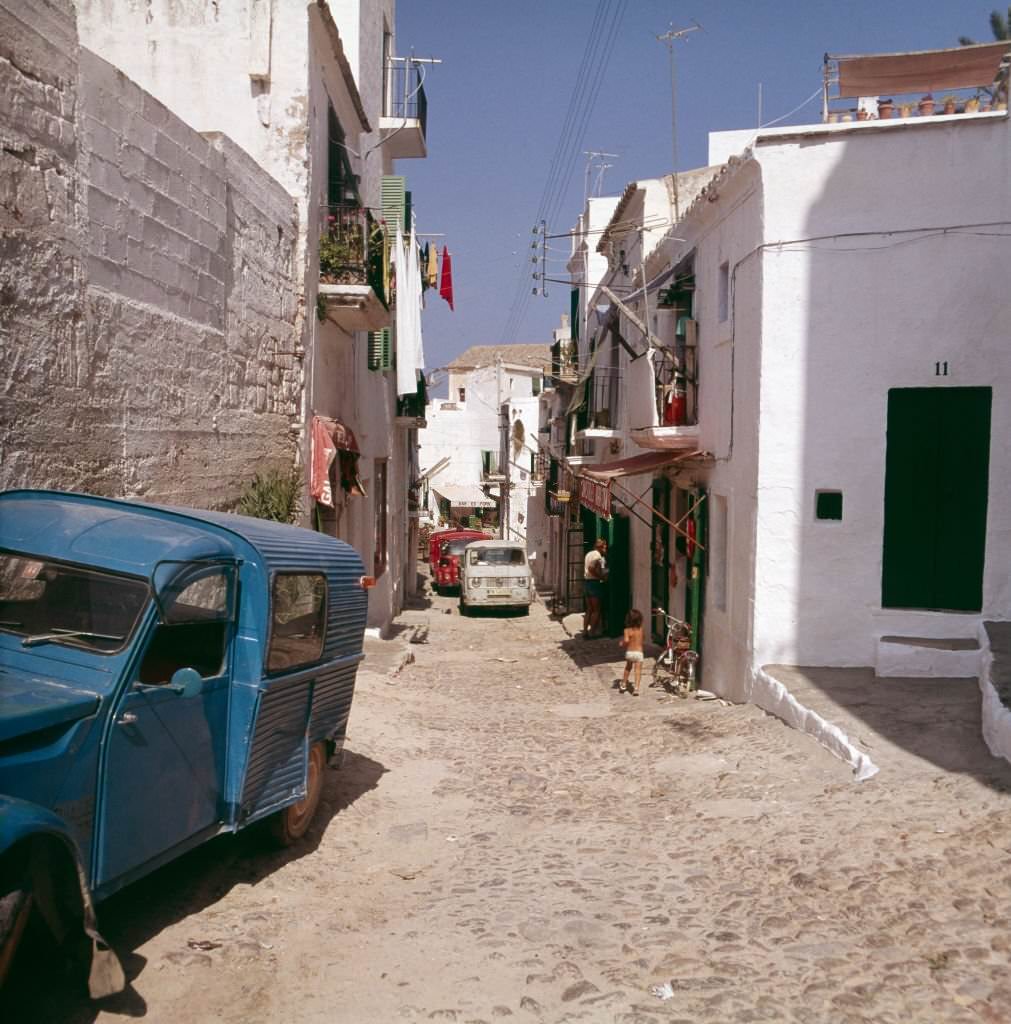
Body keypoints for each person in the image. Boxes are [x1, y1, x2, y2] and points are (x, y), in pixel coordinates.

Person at [582, 538, 608, 637]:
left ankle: (585, 631)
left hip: (587, 583)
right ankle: (592, 632)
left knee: (589, 609)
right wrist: (601, 577)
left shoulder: (589, 554)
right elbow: (591, 568)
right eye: (605, 547)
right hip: (594, 583)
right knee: (596, 609)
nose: (605, 549)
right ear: (601, 547)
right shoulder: (597, 555)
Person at [619, 608, 645, 695]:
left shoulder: (627, 630)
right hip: (639, 653)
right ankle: (636, 688)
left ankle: (623, 683)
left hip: (630, 652)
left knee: (628, 667)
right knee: (637, 671)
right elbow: (642, 639)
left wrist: (622, 643)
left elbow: (626, 641)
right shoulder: (641, 629)